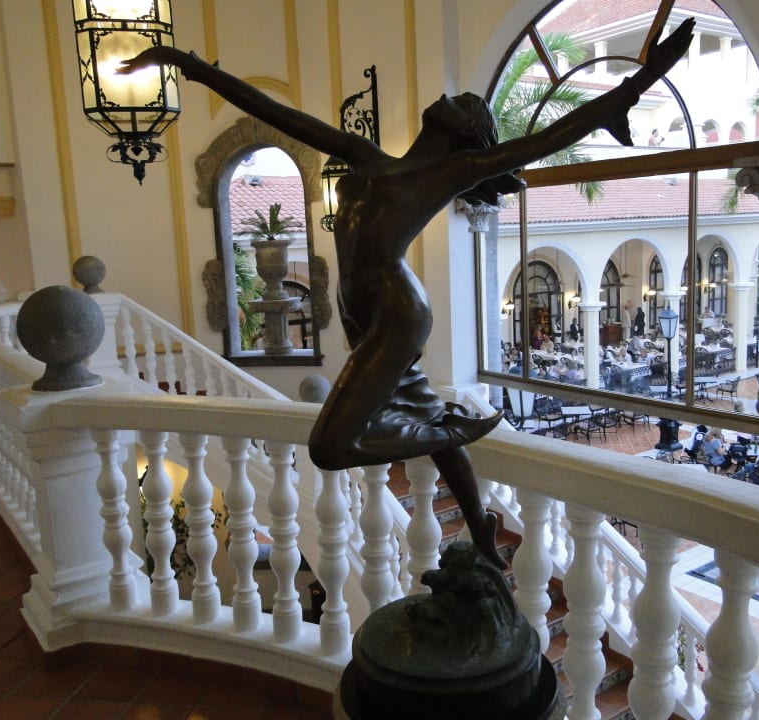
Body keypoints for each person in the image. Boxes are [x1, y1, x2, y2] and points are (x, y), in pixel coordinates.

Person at [120, 18, 694, 570]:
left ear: (463, 130)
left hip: (397, 310)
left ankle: (441, 432)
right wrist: (191, 67)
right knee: (420, 408)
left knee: (329, 447)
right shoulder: (368, 157)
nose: (448, 97)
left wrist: (637, 83)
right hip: (361, 311)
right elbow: (279, 114)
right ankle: (480, 522)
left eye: (463, 102)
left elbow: (550, 137)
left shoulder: (453, 170)